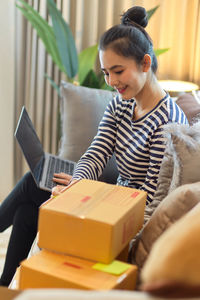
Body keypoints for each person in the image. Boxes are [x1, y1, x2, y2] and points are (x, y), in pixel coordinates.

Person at [0, 6, 188, 287]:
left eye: (118, 71)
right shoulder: (122, 102)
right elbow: (98, 151)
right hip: (112, 192)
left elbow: (149, 203)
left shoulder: (168, 125)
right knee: (31, 198)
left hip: (124, 211)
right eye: (105, 73)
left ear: (145, 64)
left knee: (30, 189)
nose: (111, 82)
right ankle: (4, 288)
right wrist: (77, 184)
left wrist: (90, 204)